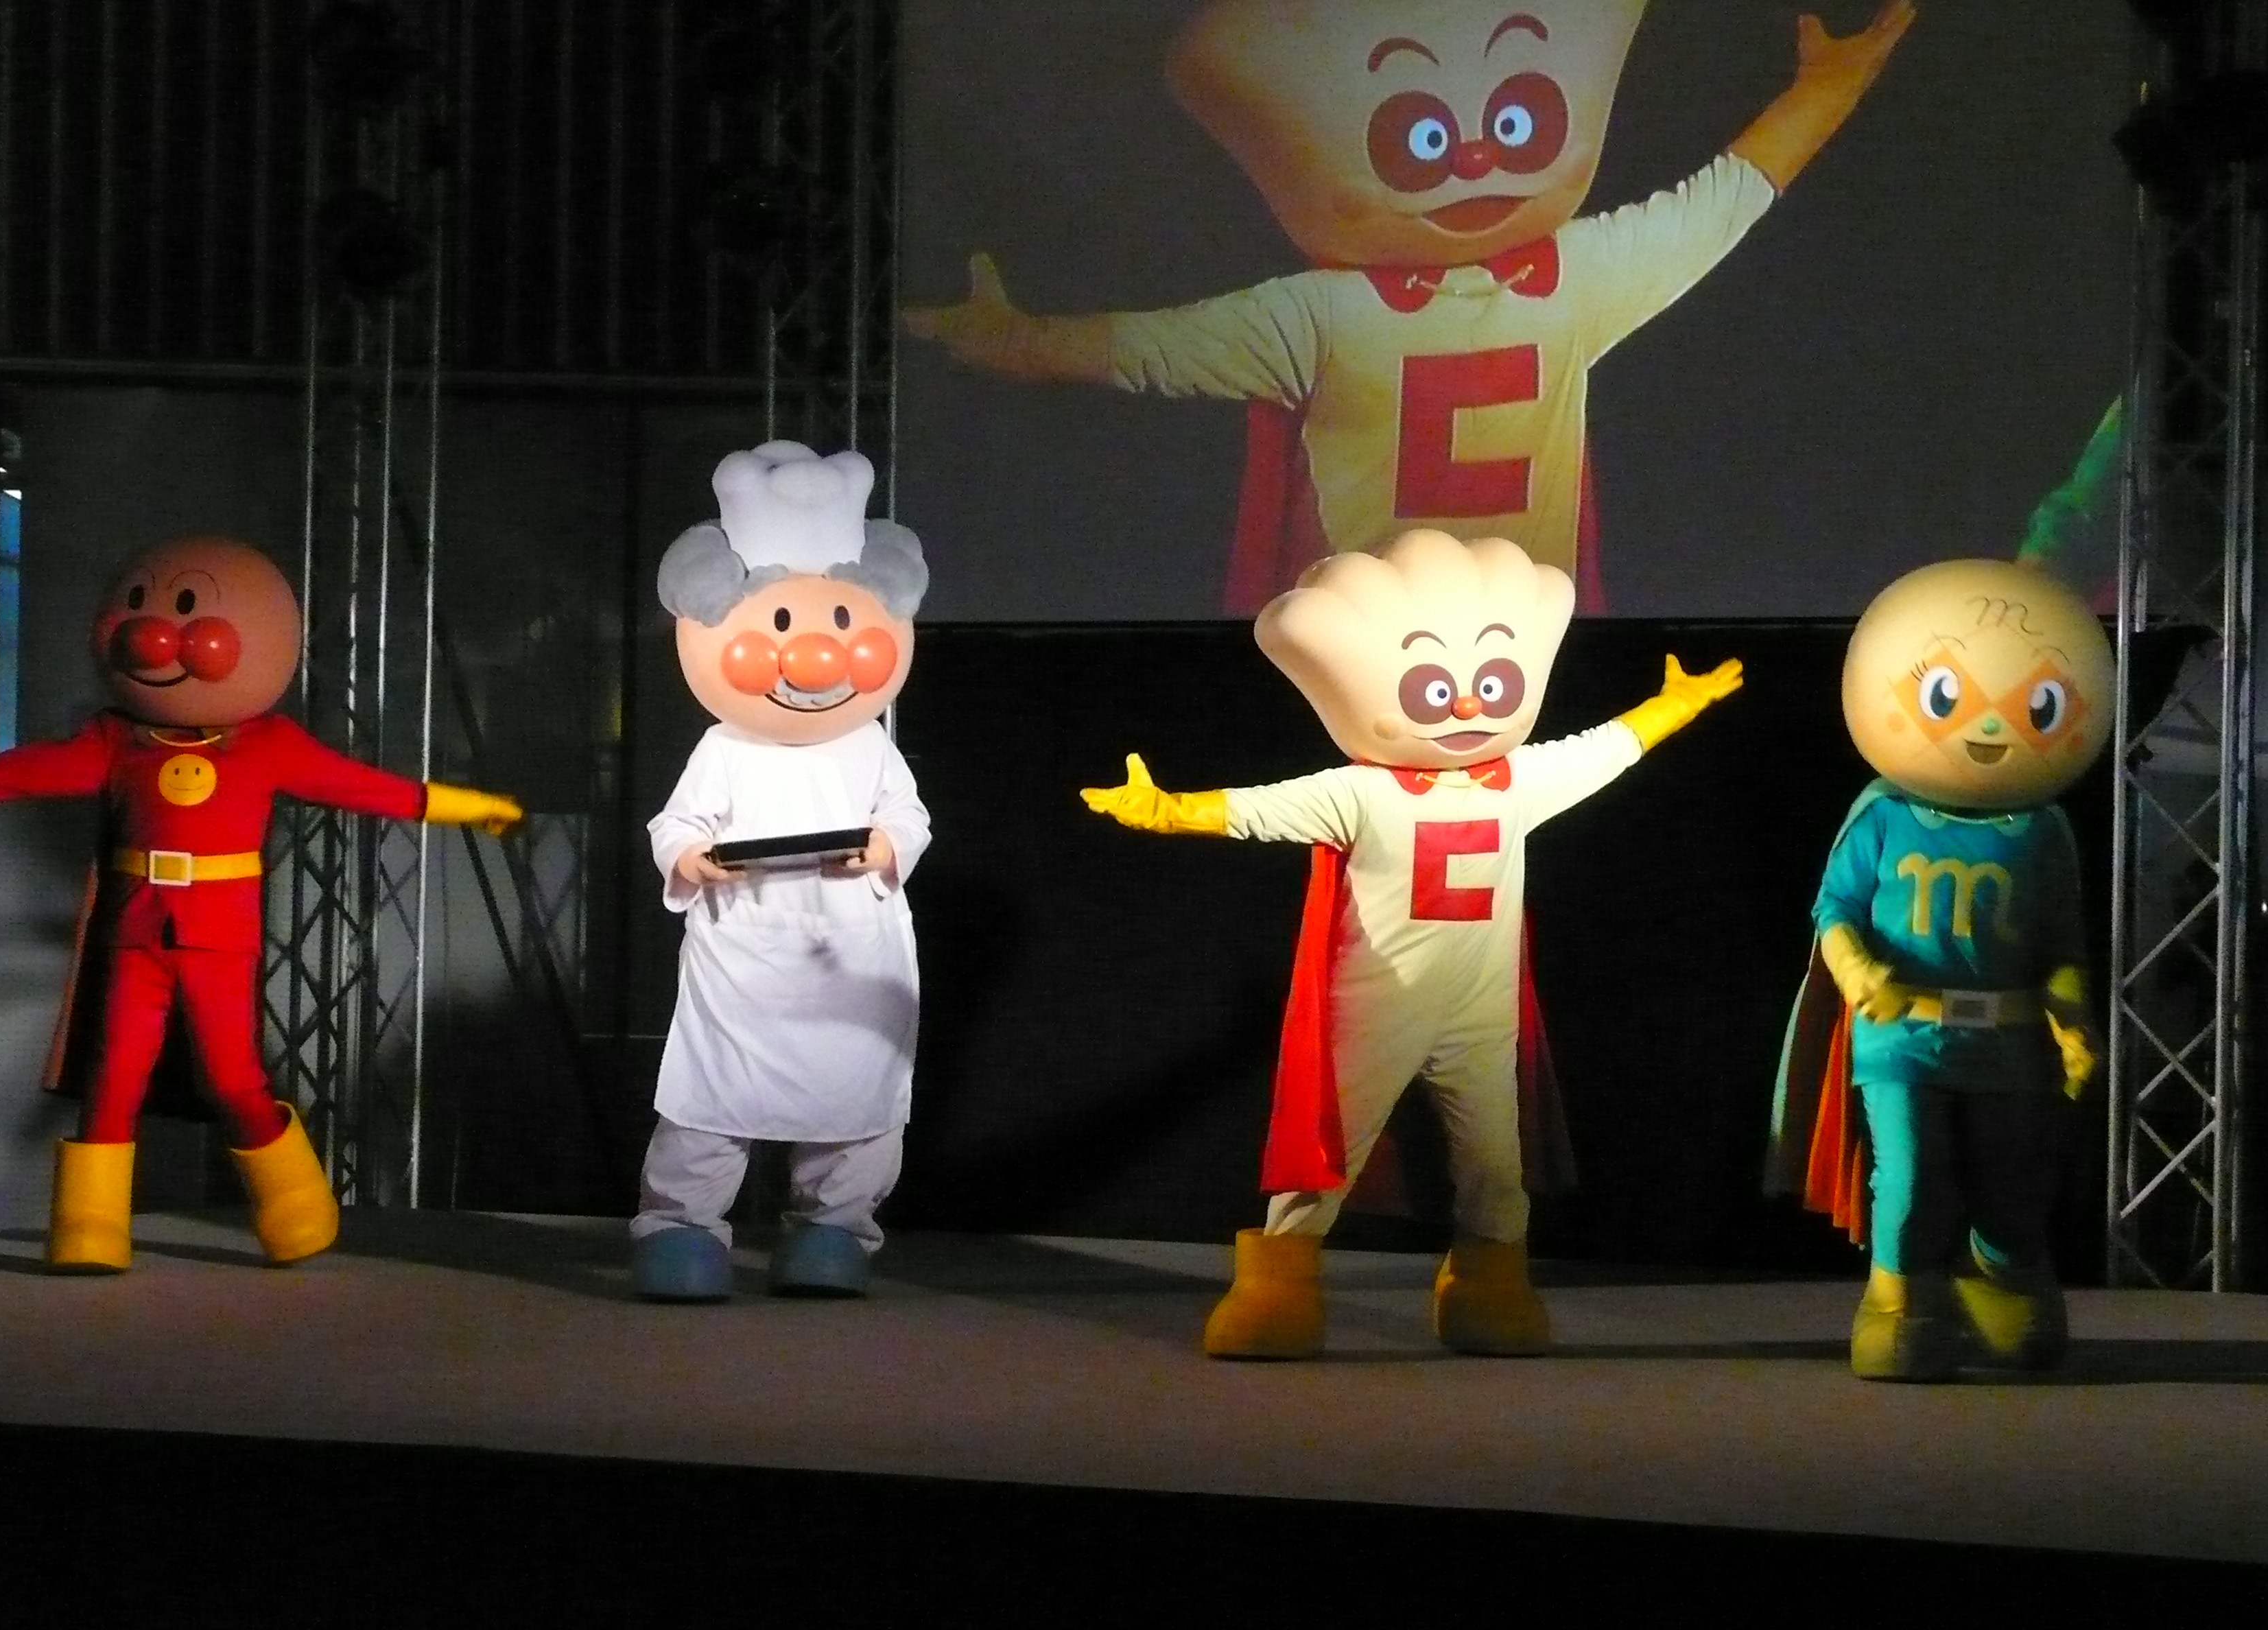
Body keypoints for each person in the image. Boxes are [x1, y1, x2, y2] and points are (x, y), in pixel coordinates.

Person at [906, 1, 1914, 611]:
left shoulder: (1566, 280)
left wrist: (1828, 90)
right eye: (1422, 137)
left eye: (1514, 124)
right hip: (1365, 628)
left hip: (1514, 628)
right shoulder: (1325, 317)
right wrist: (1012, 341)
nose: (1473, 158)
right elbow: (1143, 350)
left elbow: (1724, 199)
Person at [1083, 527, 1738, 1357]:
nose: (1467, 708)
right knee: (1331, 1153)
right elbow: (1253, 810)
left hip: (1481, 1015)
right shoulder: (1358, 793)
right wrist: (1166, 810)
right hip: (1374, 1011)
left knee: (1494, 1165)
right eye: (1436, 688)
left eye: (1491, 685)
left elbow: (1605, 749)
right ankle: (1278, 1285)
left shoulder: (1520, 783)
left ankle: (1489, 1285)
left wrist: (1674, 707)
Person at [0, 535, 522, 1273]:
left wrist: (466, 807)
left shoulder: (269, 745)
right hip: (137, 930)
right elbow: (32, 771)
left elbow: (366, 788)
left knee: (232, 1075)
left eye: (185, 607)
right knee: (115, 1074)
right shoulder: (118, 740)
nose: (156, 633)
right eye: (143, 606)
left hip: (217, 935)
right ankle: (89, 1225)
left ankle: (293, 1201)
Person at [1768, 556, 2110, 1379]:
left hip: (2008, 1042)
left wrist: (2071, 1019)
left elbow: (2060, 945)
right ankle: (1900, 1298)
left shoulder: (2042, 830)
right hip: (1905, 1036)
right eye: (1952, 697)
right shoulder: (1884, 814)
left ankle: (2001, 1275)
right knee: (1913, 1177)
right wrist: (1857, 973)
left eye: (2033, 705)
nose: (1989, 725)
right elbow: (1835, 911)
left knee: (2010, 1182)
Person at [634, 442, 932, 1302]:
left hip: (851, 954)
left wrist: (886, 848)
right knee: (711, 1103)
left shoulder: (868, 744)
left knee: (854, 1107)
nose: (812, 659)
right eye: (780, 629)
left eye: (839, 624)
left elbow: (908, 817)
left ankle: (835, 1229)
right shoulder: (724, 747)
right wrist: (691, 857)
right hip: (744, 957)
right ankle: (683, 1226)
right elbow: (676, 823)